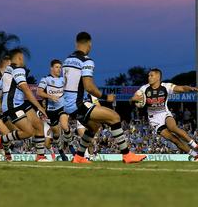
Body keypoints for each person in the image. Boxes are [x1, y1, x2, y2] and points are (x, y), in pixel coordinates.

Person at [63, 31, 146, 164]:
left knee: (94, 126)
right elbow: (89, 86)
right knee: (114, 117)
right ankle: (127, 155)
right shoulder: (86, 60)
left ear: (76, 43)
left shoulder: (67, 60)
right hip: (78, 104)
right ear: (89, 44)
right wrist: (106, 97)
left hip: (68, 104)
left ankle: (78, 157)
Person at [131, 68, 198, 161]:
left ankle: (195, 145)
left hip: (164, 112)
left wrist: (190, 88)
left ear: (158, 77)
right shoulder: (144, 88)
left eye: (151, 75)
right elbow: (134, 98)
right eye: (148, 75)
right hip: (154, 119)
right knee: (173, 139)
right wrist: (133, 99)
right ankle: (195, 155)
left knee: (173, 128)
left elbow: (181, 88)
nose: (149, 77)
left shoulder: (166, 86)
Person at [0, 49, 50, 162]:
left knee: (39, 124)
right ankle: (1, 139)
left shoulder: (8, 70)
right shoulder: (18, 69)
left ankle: (40, 156)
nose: (24, 60)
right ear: (19, 57)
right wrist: (39, 107)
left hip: (19, 103)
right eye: (23, 58)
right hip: (13, 105)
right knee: (28, 132)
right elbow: (25, 89)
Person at [37, 59, 68, 161]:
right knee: (56, 134)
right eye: (57, 67)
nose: (59, 69)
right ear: (51, 68)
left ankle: (70, 147)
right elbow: (39, 92)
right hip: (51, 110)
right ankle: (60, 150)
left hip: (62, 107)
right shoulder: (45, 79)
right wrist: (50, 96)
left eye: (60, 67)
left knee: (64, 125)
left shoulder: (64, 80)